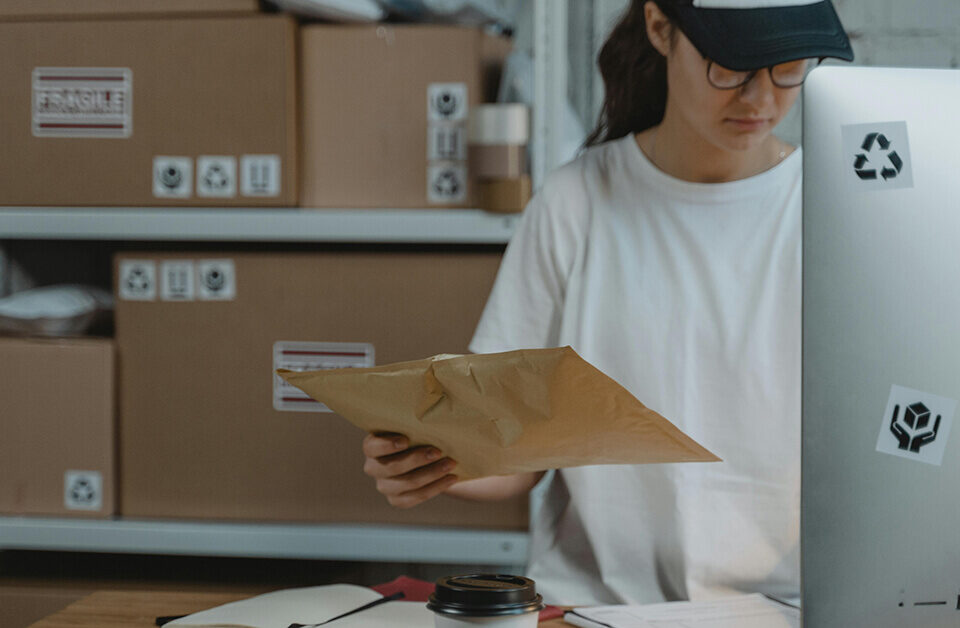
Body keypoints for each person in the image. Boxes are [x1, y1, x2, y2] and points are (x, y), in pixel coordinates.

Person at [362, 0, 853, 606]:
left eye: (786, 66)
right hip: (600, 608)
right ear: (659, 27)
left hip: (786, 608)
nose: (760, 99)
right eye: (730, 67)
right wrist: (428, 460)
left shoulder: (837, 211)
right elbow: (515, 452)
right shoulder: (576, 203)